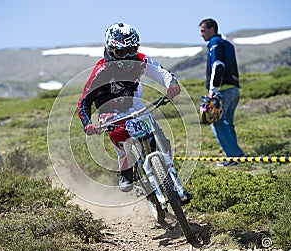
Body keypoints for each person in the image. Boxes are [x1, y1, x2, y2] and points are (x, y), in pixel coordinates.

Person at [77, 22, 192, 204]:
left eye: (132, 50)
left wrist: (172, 85)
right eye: (122, 52)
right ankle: (126, 169)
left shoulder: (141, 60)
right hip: (110, 110)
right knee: (120, 135)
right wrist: (87, 124)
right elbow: (84, 102)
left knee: (158, 135)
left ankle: (173, 179)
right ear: (111, 50)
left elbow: (162, 73)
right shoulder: (101, 71)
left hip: (134, 104)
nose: (129, 56)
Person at [199, 18, 244, 166]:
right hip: (234, 89)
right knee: (227, 122)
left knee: (216, 122)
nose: (201, 34)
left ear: (212, 29)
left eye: (203, 30)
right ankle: (235, 155)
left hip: (222, 90)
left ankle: (234, 156)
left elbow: (218, 65)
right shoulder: (228, 44)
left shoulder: (214, 43)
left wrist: (213, 90)